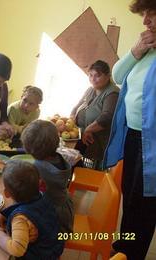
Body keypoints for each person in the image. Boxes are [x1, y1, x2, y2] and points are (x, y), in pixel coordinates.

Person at [104, 1, 156, 259]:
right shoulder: (145, 48)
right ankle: (123, 247)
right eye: (144, 15)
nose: (145, 21)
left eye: (152, 14)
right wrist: (135, 52)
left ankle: (132, 254)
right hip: (134, 134)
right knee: (130, 197)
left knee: (146, 203)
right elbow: (117, 74)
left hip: (154, 142)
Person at [0, 160, 64, 259]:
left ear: (7, 193)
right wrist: (2, 215)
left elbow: (17, 250)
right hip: (53, 248)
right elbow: (27, 206)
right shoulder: (42, 196)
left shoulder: (20, 219)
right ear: (39, 183)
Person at [21, 120, 74, 233]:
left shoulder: (37, 169)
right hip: (64, 210)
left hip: (52, 219)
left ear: (30, 149)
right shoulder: (58, 158)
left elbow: (27, 195)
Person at [70, 60, 119, 169]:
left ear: (108, 76)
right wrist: (71, 119)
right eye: (90, 75)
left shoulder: (112, 93)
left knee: (89, 170)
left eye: (97, 76)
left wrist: (88, 129)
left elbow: (106, 117)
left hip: (97, 142)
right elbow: (76, 107)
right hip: (79, 137)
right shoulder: (90, 90)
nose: (93, 79)